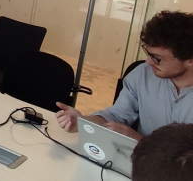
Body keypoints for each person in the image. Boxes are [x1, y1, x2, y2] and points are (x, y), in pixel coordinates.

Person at [56, 11, 193, 141]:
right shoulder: (142, 75)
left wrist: (139, 142)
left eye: (157, 58)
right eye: (148, 53)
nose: (148, 61)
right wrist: (82, 122)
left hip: (156, 156)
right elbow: (117, 115)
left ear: (190, 60)